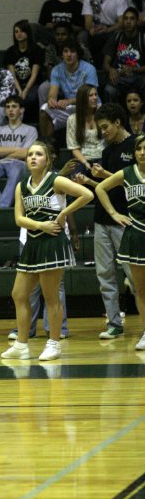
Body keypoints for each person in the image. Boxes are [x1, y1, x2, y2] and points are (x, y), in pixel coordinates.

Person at [1, 142, 93, 361]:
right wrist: (40, 225)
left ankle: (54, 343)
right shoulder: (21, 186)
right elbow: (18, 218)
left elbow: (86, 194)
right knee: (19, 294)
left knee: (50, 297)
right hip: (32, 242)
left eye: (38, 154)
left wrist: (63, 213)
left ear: (47, 160)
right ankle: (22, 345)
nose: (33, 157)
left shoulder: (56, 180)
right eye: (30, 154)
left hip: (52, 243)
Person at [75, 104, 135, 339]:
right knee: (105, 274)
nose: (104, 132)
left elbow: (132, 183)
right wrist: (89, 182)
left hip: (125, 219)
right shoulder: (108, 150)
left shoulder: (136, 148)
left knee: (134, 275)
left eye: (106, 127)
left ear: (118, 122)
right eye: (101, 128)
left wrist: (103, 177)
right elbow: (103, 188)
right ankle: (114, 323)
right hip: (102, 219)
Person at [95, 133, 145, 350]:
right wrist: (114, 214)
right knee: (142, 290)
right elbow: (100, 188)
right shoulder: (127, 173)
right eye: (139, 149)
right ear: (134, 153)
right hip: (135, 236)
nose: (143, 153)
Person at [0, 95, 38, 208]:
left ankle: (1, 207)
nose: (10, 110)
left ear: (21, 110)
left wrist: (2, 152)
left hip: (18, 164)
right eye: (8, 107)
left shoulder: (30, 130)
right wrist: (17, 149)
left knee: (16, 170)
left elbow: (26, 153)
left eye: (14, 106)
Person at [39, 39, 98, 139]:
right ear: (62, 55)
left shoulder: (89, 68)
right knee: (45, 109)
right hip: (70, 107)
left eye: (72, 51)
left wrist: (68, 101)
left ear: (78, 54)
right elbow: (52, 92)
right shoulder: (57, 70)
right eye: (66, 51)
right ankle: (47, 145)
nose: (69, 54)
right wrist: (52, 101)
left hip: (89, 106)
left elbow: (89, 95)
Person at [82, 0, 128, 68]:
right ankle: (91, 67)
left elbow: (122, 22)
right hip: (97, 28)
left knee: (115, 35)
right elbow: (87, 22)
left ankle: (106, 67)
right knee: (84, 36)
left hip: (113, 28)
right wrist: (91, 28)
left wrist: (108, 29)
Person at [102, 7, 145, 103]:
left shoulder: (143, 39)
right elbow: (105, 64)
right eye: (126, 18)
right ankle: (114, 116)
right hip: (120, 77)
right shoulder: (116, 37)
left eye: (132, 19)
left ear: (137, 21)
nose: (128, 22)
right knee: (109, 90)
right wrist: (111, 70)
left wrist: (133, 69)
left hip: (139, 77)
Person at [5, 19, 44, 118]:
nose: (19, 34)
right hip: (16, 84)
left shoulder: (36, 50)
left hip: (33, 84)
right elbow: (12, 75)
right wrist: (19, 90)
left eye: (22, 31)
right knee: (12, 99)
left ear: (28, 32)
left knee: (29, 98)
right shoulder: (10, 51)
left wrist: (25, 90)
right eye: (16, 32)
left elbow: (34, 74)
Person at [66, 84, 104, 174]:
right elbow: (74, 148)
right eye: (90, 95)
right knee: (78, 175)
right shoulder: (72, 119)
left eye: (96, 94)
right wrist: (85, 163)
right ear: (82, 99)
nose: (95, 98)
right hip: (83, 159)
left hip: (103, 157)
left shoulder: (102, 115)